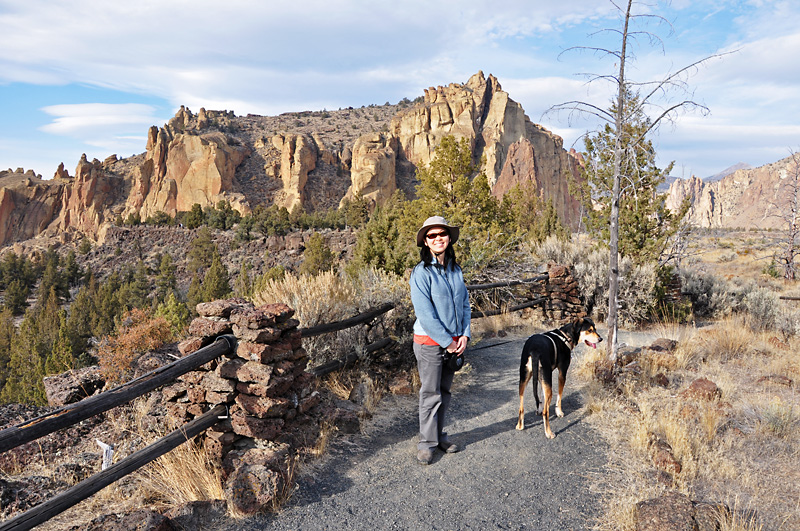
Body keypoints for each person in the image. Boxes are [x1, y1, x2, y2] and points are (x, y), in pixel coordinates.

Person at [409, 215, 471, 465]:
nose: (438, 239)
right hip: (429, 343)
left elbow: (465, 304)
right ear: (425, 241)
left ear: (449, 237)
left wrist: (464, 334)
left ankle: (439, 436)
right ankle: (426, 443)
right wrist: (448, 341)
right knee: (430, 393)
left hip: (454, 342)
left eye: (441, 234)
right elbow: (425, 314)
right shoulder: (421, 272)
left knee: (444, 391)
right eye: (432, 235)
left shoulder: (455, 269)